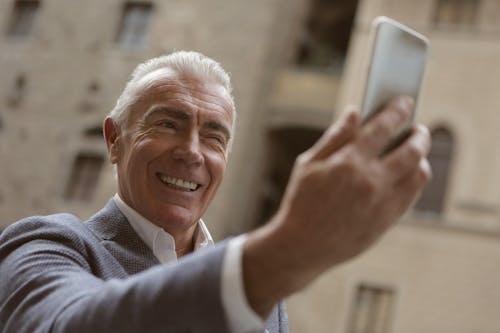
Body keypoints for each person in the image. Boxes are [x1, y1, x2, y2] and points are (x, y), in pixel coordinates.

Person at [0, 51, 431, 333]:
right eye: (167, 124)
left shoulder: (268, 299)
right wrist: (288, 249)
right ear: (114, 140)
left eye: (213, 137)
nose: (191, 152)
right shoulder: (46, 245)